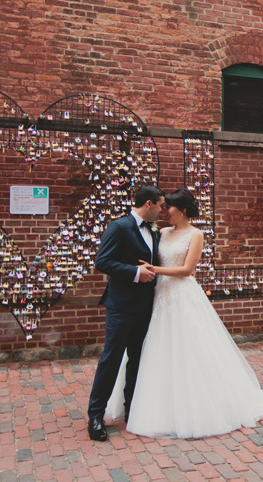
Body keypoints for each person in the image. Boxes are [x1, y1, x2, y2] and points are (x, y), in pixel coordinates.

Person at [105, 188, 263, 438]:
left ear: (183, 209)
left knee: (188, 347)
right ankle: (147, 404)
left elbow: (187, 269)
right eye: (163, 207)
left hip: (181, 295)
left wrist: (154, 269)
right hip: (158, 296)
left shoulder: (196, 235)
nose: (165, 212)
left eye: (170, 208)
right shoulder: (161, 232)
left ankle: (196, 404)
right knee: (154, 348)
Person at [86, 185, 166, 442]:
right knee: (111, 359)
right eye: (161, 205)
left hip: (145, 306)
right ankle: (96, 416)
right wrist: (135, 272)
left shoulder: (154, 231)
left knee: (137, 359)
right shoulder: (118, 227)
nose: (163, 211)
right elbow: (102, 261)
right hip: (121, 306)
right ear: (149, 204)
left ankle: (133, 409)